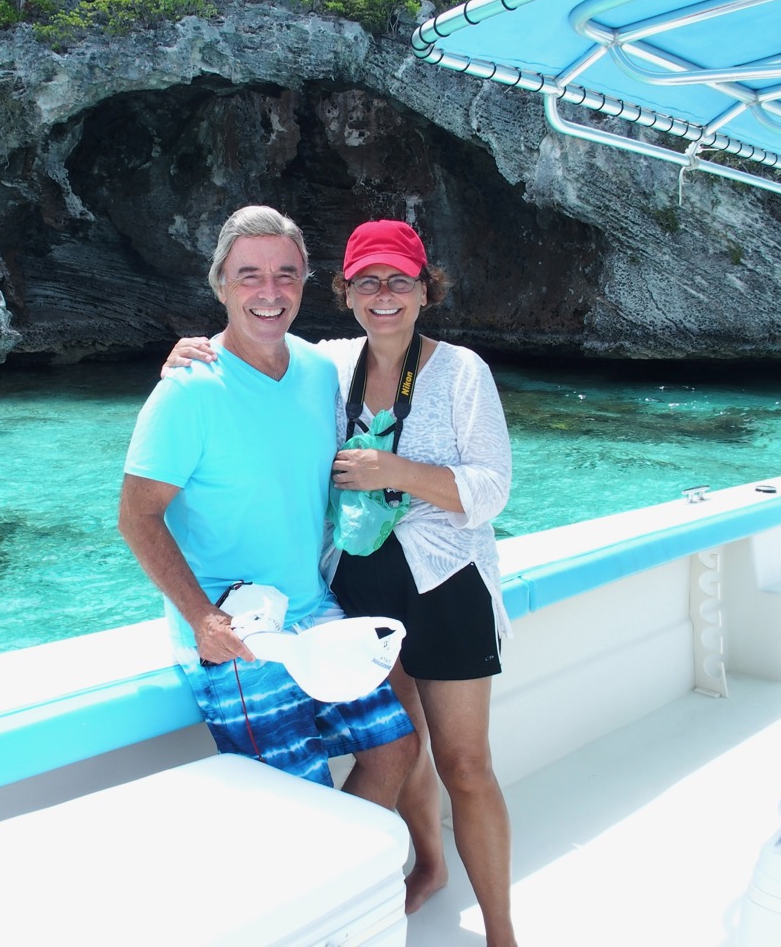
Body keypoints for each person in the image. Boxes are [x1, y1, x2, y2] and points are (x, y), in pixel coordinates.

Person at [165, 220, 517, 946]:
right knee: (403, 739)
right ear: (346, 292)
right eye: (367, 282)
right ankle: (427, 867)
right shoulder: (330, 365)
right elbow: (257, 338)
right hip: (358, 588)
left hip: (446, 587)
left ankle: (503, 931)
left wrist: (396, 474)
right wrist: (186, 352)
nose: (383, 296)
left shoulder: (460, 371)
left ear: (426, 289)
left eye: (399, 280)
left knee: (466, 763)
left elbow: (491, 491)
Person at [118, 205, 419, 808]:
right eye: (249, 274)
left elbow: (391, 341)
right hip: (239, 634)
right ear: (221, 284)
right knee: (295, 796)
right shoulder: (186, 390)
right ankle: (337, 877)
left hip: (316, 612)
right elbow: (136, 515)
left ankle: (348, 870)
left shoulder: (318, 368)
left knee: (396, 751)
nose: (269, 291)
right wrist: (203, 618)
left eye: (286, 274)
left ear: (306, 283)